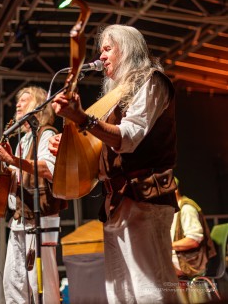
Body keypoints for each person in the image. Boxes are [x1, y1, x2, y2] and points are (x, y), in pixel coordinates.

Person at [49, 24, 180, 303]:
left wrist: (83, 120)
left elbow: (129, 138)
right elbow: (104, 153)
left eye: (108, 49)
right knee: (120, 294)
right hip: (117, 202)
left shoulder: (151, 81)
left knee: (151, 291)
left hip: (144, 199)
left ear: (128, 49)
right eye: (100, 51)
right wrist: (70, 146)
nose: (102, 56)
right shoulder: (115, 99)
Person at [0, 86, 66, 304]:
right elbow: (21, 176)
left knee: (41, 282)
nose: (18, 105)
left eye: (24, 100)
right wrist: (4, 183)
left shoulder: (47, 133)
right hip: (20, 219)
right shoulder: (23, 141)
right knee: (13, 282)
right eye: (17, 102)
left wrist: (12, 161)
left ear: (39, 105)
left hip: (41, 218)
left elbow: (47, 170)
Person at [171, 177, 216, 278]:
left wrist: (166, 246)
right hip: (180, 259)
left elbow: (193, 241)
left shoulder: (187, 209)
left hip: (190, 263)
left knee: (152, 263)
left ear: (175, 190)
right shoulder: (174, 209)